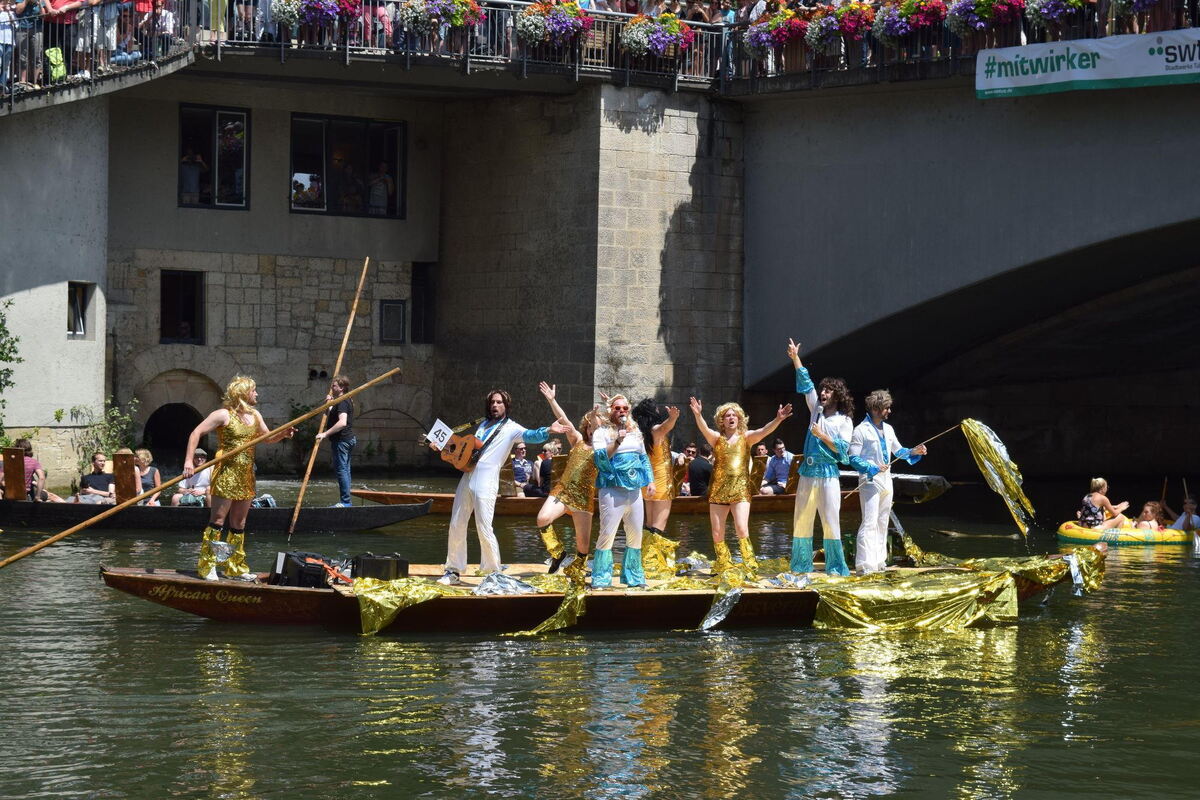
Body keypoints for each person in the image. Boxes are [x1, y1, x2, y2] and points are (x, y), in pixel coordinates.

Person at [436, 389, 567, 585]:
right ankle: (453, 570)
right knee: (456, 522)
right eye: (492, 402)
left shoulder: (511, 428)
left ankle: (492, 572)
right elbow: (465, 450)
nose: (495, 405)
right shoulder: (482, 425)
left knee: (484, 526)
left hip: (487, 479)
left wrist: (549, 430)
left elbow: (530, 435)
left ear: (506, 405)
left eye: (499, 402)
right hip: (468, 475)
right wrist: (442, 446)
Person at [183, 376, 296, 581]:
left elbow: (267, 438)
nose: (257, 394)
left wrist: (283, 435)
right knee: (218, 520)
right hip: (226, 472)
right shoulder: (223, 415)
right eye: (254, 390)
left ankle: (235, 567)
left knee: (239, 522)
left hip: (246, 474)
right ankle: (208, 565)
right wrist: (189, 462)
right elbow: (195, 432)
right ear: (243, 393)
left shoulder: (255, 416)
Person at [689, 396, 791, 573]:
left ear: (739, 419)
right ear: (722, 420)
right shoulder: (716, 439)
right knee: (717, 532)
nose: (731, 417)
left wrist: (778, 419)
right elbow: (704, 429)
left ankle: (749, 563)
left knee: (742, 529)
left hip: (740, 490)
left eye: (734, 415)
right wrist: (698, 415)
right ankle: (723, 563)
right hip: (719, 490)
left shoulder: (746, 438)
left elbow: (764, 430)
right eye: (727, 415)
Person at [787, 337, 855, 576]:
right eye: (823, 389)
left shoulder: (844, 421)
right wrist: (795, 357)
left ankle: (835, 567)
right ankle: (801, 565)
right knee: (802, 518)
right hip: (808, 471)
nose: (823, 393)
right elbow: (806, 385)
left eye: (828, 390)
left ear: (837, 396)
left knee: (830, 519)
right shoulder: (815, 409)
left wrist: (822, 435)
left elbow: (843, 449)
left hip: (828, 472)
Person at [848, 390, 927, 575]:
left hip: (886, 480)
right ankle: (864, 564)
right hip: (869, 481)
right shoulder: (860, 430)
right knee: (869, 521)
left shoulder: (889, 429)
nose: (889, 411)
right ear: (876, 409)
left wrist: (914, 451)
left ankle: (879, 560)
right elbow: (852, 458)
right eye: (886, 408)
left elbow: (899, 451)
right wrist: (872, 467)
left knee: (883, 520)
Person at [533, 381, 604, 575]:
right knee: (542, 518)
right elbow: (563, 419)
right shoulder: (577, 440)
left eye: (596, 427)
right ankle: (557, 553)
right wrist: (552, 400)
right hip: (563, 491)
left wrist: (601, 415)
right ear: (585, 427)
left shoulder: (604, 450)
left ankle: (577, 571)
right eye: (590, 426)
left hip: (583, 497)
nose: (592, 429)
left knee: (583, 547)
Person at [590, 394, 654, 588]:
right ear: (610, 411)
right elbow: (600, 460)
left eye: (624, 408)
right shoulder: (601, 432)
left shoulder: (635, 432)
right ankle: (601, 577)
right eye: (617, 408)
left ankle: (633, 576)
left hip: (634, 490)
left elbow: (644, 458)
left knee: (636, 533)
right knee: (607, 533)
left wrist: (651, 481)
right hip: (612, 489)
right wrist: (617, 441)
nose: (621, 412)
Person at [632, 397, 681, 548]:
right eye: (657, 409)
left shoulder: (641, 433)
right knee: (658, 526)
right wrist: (672, 418)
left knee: (649, 525)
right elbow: (664, 428)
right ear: (652, 413)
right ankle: (653, 563)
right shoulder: (654, 431)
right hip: (661, 482)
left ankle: (646, 558)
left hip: (647, 482)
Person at [313, 374, 356, 507]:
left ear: (342, 387)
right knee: (345, 470)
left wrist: (325, 434)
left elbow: (342, 422)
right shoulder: (342, 400)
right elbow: (330, 414)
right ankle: (347, 501)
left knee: (342, 470)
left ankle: (345, 502)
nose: (332, 387)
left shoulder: (343, 401)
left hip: (342, 441)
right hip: (348, 439)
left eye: (334, 385)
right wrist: (329, 404)